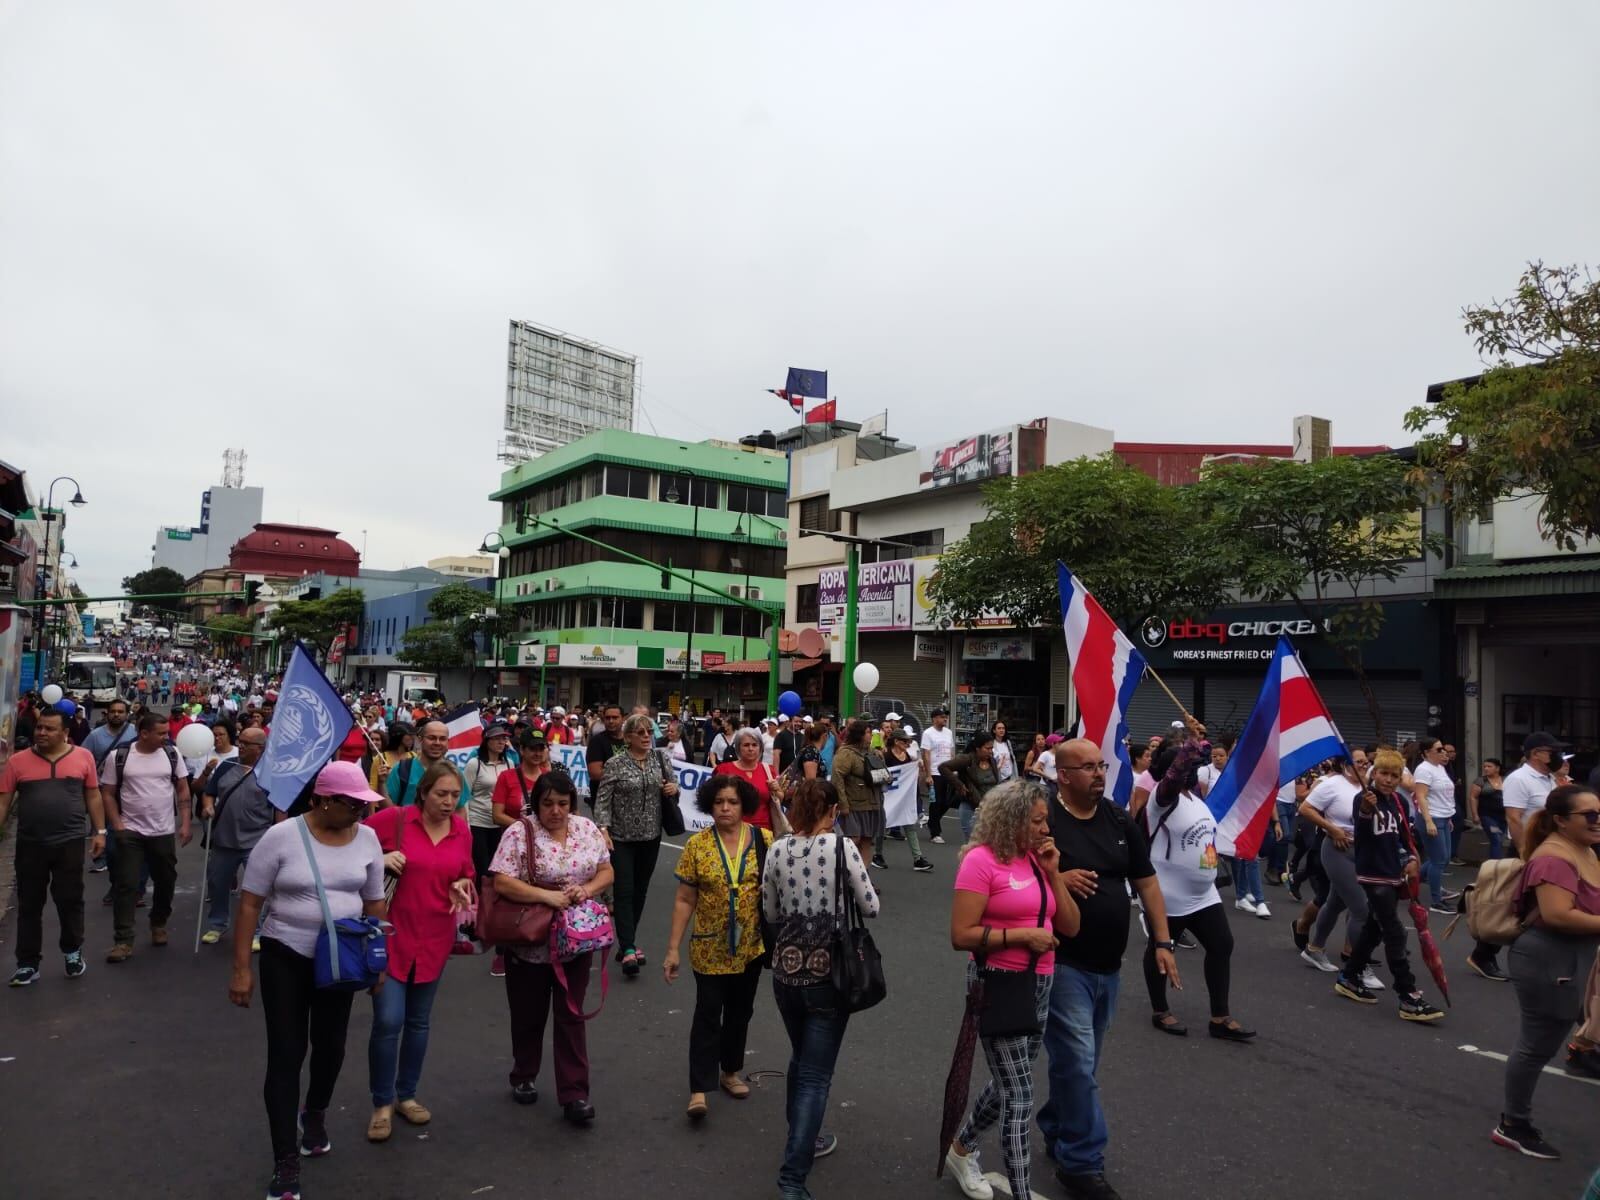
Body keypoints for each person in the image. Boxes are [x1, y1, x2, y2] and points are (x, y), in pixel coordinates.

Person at [229, 760, 388, 1200]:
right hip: (286, 954)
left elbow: (374, 905)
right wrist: (242, 969)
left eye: (363, 803)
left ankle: (314, 1112)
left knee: (332, 1046)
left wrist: (379, 964)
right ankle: (285, 1160)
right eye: (351, 803)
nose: (360, 811)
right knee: (286, 1052)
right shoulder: (281, 838)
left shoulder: (369, 839)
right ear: (321, 800)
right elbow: (249, 905)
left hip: (343, 961)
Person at [1040, 737, 1179, 1200]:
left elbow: (1148, 883)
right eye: (1088, 767)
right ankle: (1081, 1164)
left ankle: (1054, 1122)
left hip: (1108, 967)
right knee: (1078, 1064)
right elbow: (1009, 873)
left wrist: (1163, 941)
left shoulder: (1119, 819)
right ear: (1063, 775)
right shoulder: (1045, 819)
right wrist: (1056, 878)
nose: (1100, 774)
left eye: (1101, 766)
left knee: (1082, 1064)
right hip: (1062, 963)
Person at [945, 780, 1081, 1200]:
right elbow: (961, 935)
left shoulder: (1039, 860)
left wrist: (1055, 873)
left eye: (1046, 820)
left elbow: (1071, 925)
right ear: (1012, 820)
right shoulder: (980, 862)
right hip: (997, 984)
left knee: (1009, 1081)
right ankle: (1021, 1193)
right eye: (1037, 820)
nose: (1045, 828)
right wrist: (1022, 936)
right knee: (1020, 1093)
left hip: (1040, 981)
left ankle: (962, 1147)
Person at [761, 780, 879, 1199]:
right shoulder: (841, 848)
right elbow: (871, 906)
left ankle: (803, 1135)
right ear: (830, 811)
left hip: (786, 971)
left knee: (802, 1059)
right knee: (815, 1076)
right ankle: (793, 1178)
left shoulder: (776, 849)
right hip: (830, 974)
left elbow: (770, 911)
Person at [489, 770, 613, 1121]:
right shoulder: (519, 832)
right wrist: (549, 896)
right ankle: (524, 1073)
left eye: (562, 803)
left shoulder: (586, 829)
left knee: (571, 1015)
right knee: (528, 1014)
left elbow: (606, 871)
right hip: (529, 942)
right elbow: (502, 882)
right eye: (547, 804)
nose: (555, 811)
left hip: (575, 941)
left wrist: (585, 890)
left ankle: (574, 1093)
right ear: (536, 805)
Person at [364, 762, 477, 1142]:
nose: (448, 802)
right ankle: (381, 1102)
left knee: (418, 1022)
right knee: (389, 1021)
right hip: (391, 936)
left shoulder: (461, 829)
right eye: (441, 794)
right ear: (423, 792)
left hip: (435, 937)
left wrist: (462, 882)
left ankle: (406, 1095)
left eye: (454, 795)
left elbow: (467, 871)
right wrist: (379, 860)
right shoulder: (394, 820)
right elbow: (349, 847)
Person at [1492, 784, 1600, 1160]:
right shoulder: (1554, 857)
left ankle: (1582, 1054)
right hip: (1548, 959)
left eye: (1599, 813)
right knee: (1536, 1046)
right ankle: (1513, 1125)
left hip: (1575, 956)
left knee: (1563, 1027)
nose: (1597, 821)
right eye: (1589, 815)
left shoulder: (1582, 849)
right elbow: (1557, 915)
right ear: (1560, 821)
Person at [663, 774, 773, 1119]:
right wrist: (672, 948)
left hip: (750, 946)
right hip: (709, 947)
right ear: (709, 805)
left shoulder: (763, 839)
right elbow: (684, 899)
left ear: (745, 806)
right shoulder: (697, 845)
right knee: (708, 1014)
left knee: (741, 1013)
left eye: (733, 802)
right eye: (719, 802)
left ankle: (730, 1072)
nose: (725, 808)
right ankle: (699, 1088)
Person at [1139, 739, 1256, 1041]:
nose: (1190, 770)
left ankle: (1220, 1017)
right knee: (1161, 950)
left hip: (1204, 894)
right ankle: (1160, 1010)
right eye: (1185, 766)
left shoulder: (1195, 799)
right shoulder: (1161, 799)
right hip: (1170, 895)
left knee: (1222, 945)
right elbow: (1173, 779)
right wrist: (1187, 751)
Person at [1330, 750, 1445, 1022]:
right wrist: (1367, 810)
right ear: (1374, 773)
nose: (1389, 780)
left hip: (1394, 873)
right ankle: (1408, 995)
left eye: (1395, 775)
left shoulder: (1398, 802)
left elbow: (1404, 837)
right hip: (1373, 875)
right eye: (1384, 773)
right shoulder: (1364, 799)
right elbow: (1363, 823)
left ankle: (1349, 976)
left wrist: (1412, 858)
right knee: (1394, 932)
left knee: (1373, 928)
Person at [0, 708, 105, 986]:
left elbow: (93, 795)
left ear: (65, 733)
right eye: (39, 728)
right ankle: (27, 963)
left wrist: (100, 832)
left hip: (69, 842)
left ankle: (72, 953)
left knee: (69, 900)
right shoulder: (18, 762)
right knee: (29, 904)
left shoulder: (83, 758)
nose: (42, 733)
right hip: (30, 844)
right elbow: (3, 802)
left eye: (49, 729)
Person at [101, 712, 191, 962]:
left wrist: (185, 823)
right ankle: (123, 940)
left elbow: (182, 788)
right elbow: (107, 793)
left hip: (162, 831)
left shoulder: (171, 755)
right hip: (130, 831)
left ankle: (159, 922)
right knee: (126, 884)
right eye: (161, 733)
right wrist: (117, 824)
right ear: (144, 733)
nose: (167, 737)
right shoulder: (119, 757)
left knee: (166, 881)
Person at [595, 712, 678, 978]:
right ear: (628, 737)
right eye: (639, 733)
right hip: (621, 837)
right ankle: (629, 947)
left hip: (651, 836)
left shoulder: (660, 759)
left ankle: (626, 941)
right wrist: (603, 830)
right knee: (624, 890)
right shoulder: (615, 764)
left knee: (640, 891)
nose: (646, 737)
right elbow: (603, 799)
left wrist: (672, 788)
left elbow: (673, 785)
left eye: (648, 732)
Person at [1295, 760, 1382, 994]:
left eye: (1367, 761)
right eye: (1358, 761)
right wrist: (1331, 829)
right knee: (1361, 910)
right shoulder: (1332, 784)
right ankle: (1359, 965)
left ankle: (1314, 948)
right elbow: (1305, 809)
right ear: (1345, 764)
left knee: (1335, 902)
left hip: (1362, 852)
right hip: (1337, 851)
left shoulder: (1368, 787)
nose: (1364, 764)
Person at [200, 726, 279, 946]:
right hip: (224, 838)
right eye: (240, 741)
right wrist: (207, 807)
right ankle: (217, 924)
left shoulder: (271, 771)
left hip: (257, 840)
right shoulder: (227, 766)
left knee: (259, 887)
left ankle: (258, 931)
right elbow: (209, 793)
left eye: (246, 743)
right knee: (218, 883)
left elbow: (280, 807)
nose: (240, 745)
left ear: (260, 748)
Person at [1411, 737, 1458, 914]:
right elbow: (1421, 796)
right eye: (1438, 750)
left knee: (1444, 858)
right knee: (1438, 860)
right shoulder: (1423, 770)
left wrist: (1449, 817)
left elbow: (1443, 795)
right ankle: (1436, 901)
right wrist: (1429, 820)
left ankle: (1414, 880)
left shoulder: (1440, 768)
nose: (1443, 752)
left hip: (1444, 817)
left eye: (1443, 749)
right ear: (1426, 753)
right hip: (1431, 819)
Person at [877, 727, 933, 871]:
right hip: (889, 796)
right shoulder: (886, 756)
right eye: (905, 741)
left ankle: (918, 858)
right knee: (883, 824)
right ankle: (878, 854)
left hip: (904, 797)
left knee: (909, 823)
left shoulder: (907, 756)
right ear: (896, 742)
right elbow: (879, 775)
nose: (908, 744)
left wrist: (918, 768)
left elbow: (912, 778)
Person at [830, 718, 884, 865]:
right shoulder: (846, 753)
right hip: (854, 805)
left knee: (867, 841)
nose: (870, 735)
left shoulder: (872, 753)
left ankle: (864, 878)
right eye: (867, 732)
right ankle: (845, 875)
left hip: (872, 803)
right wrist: (843, 804)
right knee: (853, 840)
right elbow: (837, 778)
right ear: (859, 734)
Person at [466, 724, 516, 880]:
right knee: (482, 868)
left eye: (504, 738)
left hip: (501, 824)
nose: (502, 742)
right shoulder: (475, 764)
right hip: (478, 822)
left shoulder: (509, 763)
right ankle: (480, 901)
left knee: (499, 868)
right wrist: (466, 824)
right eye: (497, 739)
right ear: (487, 741)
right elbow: (465, 795)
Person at [383, 719, 465, 809]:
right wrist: (380, 785)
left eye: (442, 739)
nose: (437, 743)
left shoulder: (455, 772)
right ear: (420, 739)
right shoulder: (402, 769)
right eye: (431, 738)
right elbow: (389, 809)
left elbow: (460, 810)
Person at [713, 727, 783, 831]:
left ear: (760, 747)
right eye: (746, 745)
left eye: (754, 745)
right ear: (738, 747)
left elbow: (779, 799)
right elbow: (713, 800)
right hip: (733, 830)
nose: (751, 748)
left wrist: (776, 790)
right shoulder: (724, 770)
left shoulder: (769, 770)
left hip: (764, 831)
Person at [1504, 731, 1564, 848]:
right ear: (1535, 754)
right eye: (1552, 752)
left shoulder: (1550, 778)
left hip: (1550, 843)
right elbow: (1513, 819)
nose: (1558, 756)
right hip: (1531, 845)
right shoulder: (1519, 779)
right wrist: (1524, 852)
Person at [941, 731, 1000, 841]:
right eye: (987, 748)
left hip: (989, 809)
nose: (990, 752)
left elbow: (996, 782)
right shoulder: (967, 759)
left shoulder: (992, 761)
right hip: (971, 808)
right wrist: (959, 785)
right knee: (973, 844)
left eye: (991, 748)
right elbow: (943, 767)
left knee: (989, 845)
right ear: (978, 748)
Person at [922, 706, 956, 844]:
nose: (945, 719)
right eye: (942, 717)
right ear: (934, 718)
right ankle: (935, 832)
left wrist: (954, 768)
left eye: (946, 716)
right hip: (935, 772)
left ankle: (932, 821)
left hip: (948, 771)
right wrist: (928, 774)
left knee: (948, 801)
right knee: (936, 802)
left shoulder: (948, 732)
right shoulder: (928, 733)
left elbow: (952, 751)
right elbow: (926, 754)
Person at [584, 703, 625, 800]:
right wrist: (628, 774)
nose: (611, 721)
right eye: (607, 718)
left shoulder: (631, 740)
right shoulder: (597, 741)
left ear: (623, 719)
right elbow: (595, 773)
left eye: (615, 718)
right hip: (604, 798)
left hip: (626, 799)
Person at [1471, 757, 1509, 862]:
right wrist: (1475, 814)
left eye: (1489, 766)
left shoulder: (1506, 780)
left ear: (1497, 768)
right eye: (1484, 766)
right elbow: (1473, 797)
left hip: (1503, 816)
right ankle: (1495, 865)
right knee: (1495, 838)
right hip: (1487, 816)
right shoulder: (1480, 781)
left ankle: (1494, 862)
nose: (1486, 769)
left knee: (1500, 839)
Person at [368, 724, 413, 792]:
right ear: (398, 736)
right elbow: (373, 787)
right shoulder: (380, 758)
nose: (412, 738)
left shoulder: (414, 757)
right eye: (409, 735)